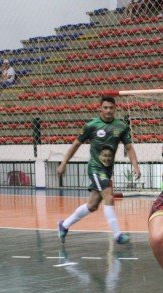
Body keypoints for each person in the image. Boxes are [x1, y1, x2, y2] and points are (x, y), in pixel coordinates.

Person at [57, 96, 141, 244]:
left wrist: (136, 166)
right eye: (105, 108)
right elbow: (75, 145)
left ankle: (64, 225)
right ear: (100, 108)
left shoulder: (121, 126)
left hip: (107, 170)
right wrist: (64, 163)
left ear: (115, 108)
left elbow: (129, 148)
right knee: (109, 196)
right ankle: (117, 235)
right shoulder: (91, 126)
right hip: (95, 168)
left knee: (93, 205)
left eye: (111, 108)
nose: (108, 111)